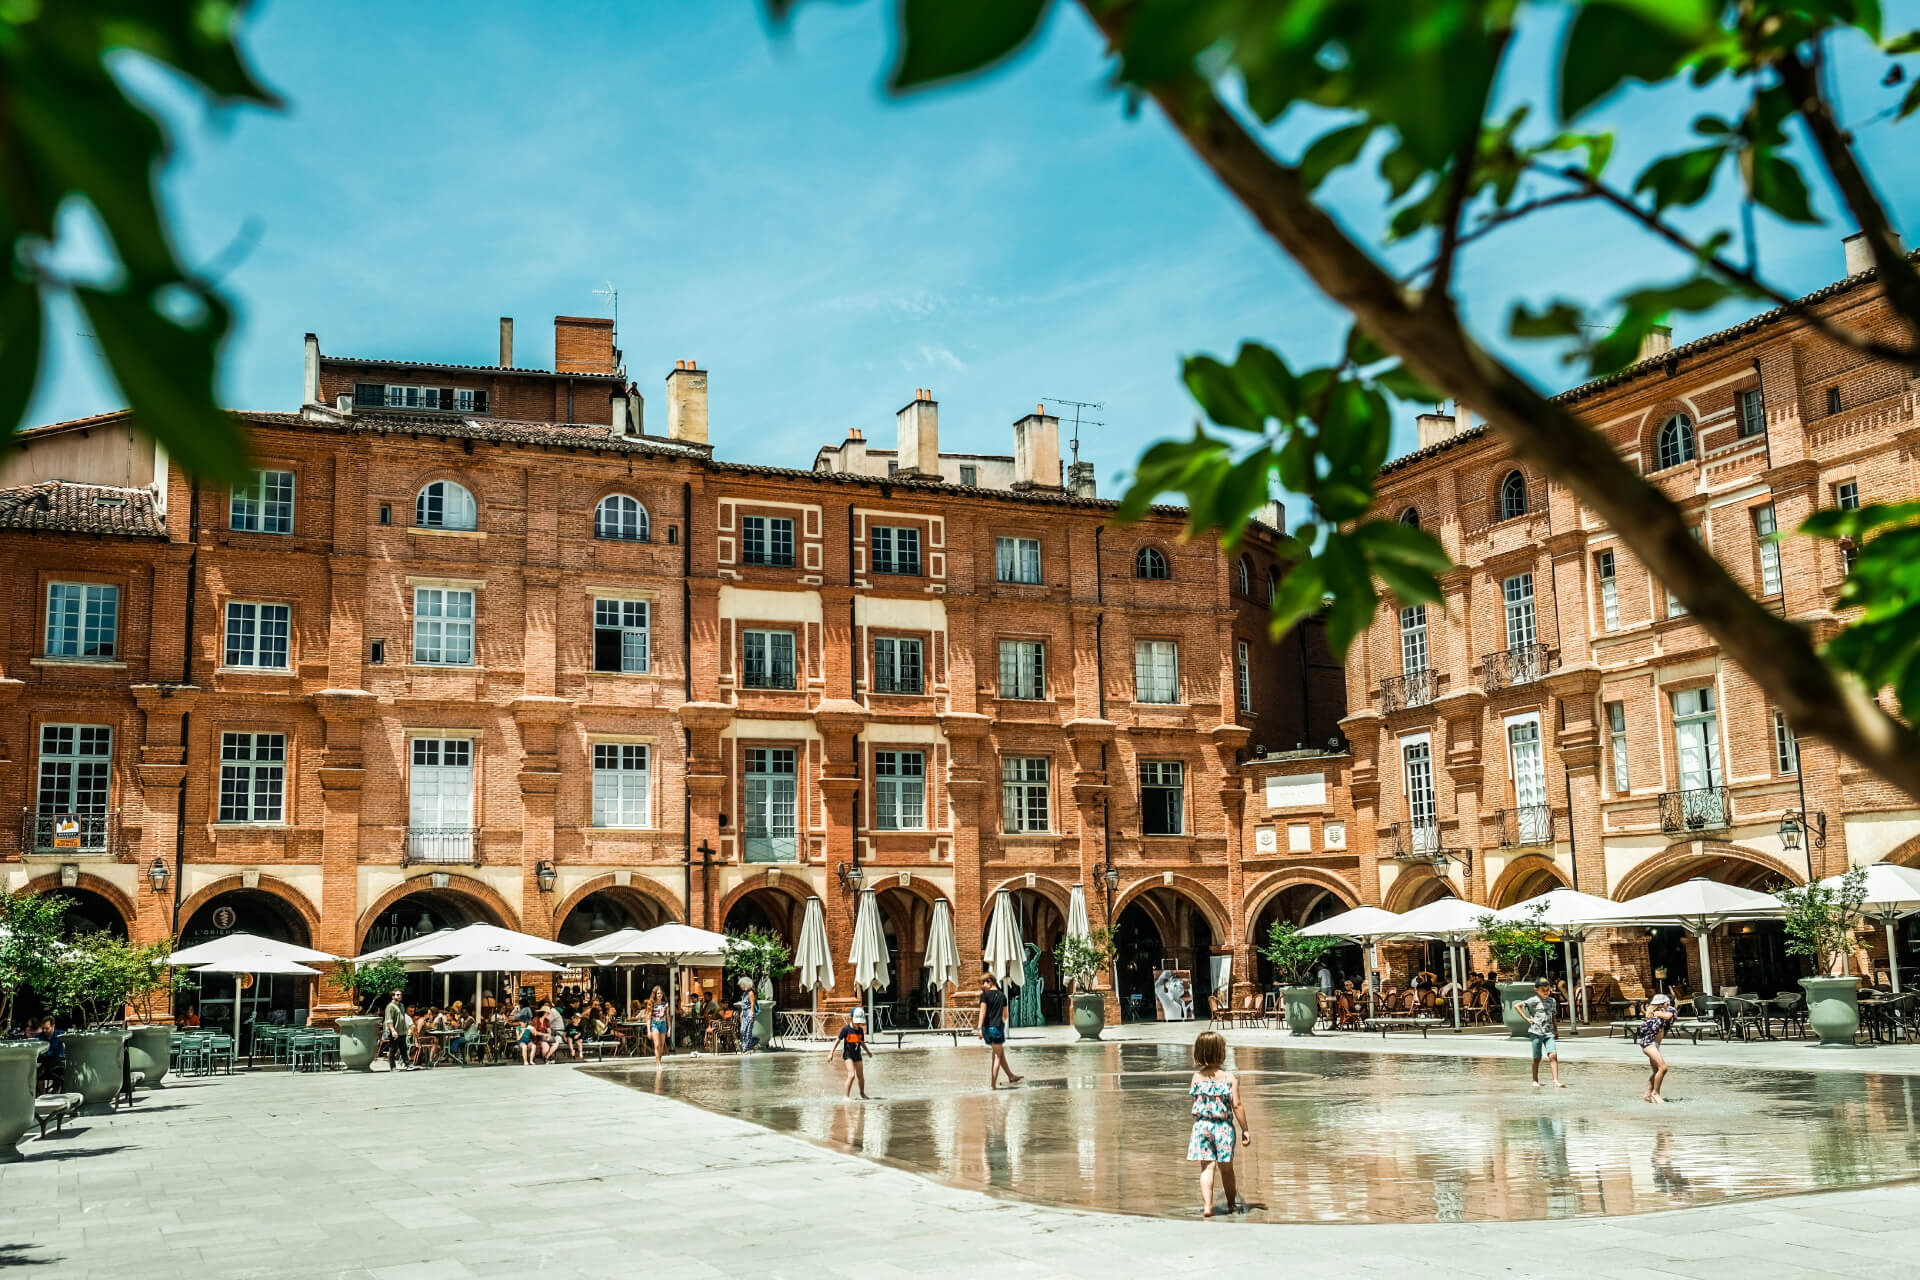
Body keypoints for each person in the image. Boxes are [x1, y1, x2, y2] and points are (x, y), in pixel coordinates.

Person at [1187, 1030, 1251, 1218]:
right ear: (1221, 1052)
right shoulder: (1229, 1078)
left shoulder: (1196, 1078)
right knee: (1226, 1169)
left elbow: (1194, 1103)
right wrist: (1245, 1129)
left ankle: (1208, 1205)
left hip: (1202, 1126)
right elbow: (1237, 1105)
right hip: (1223, 1128)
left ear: (1199, 1053)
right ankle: (1231, 1205)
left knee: (1207, 1167)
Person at [1516, 978, 1565, 1089]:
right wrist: (1527, 1019)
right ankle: (1535, 1080)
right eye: (1543, 990)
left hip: (1549, 1033)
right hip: (1536, 1032)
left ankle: (1556, 1080)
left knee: (1553, 1055)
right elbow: (1517, 1006)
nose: (1546, 993)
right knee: (1537, 1057)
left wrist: (1556, 1030)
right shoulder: (1533, 1000)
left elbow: (1553, 1016)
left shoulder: (1552, 1001)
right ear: (1536, 990)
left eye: (1548, 990)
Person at [978, 973, 1021, 1089]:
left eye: (983, 983)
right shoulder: (1002, 996)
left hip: (987, 1028)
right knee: (997, 1056)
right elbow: (1005, 1015)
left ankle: (1011, 1076)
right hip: (997, 1028)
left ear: (990, 981)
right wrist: (999, 1021)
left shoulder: (985, 996)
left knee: (999, 1054)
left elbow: (982, 1012)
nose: (982, 986)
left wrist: (980, 1028)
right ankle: (993, 1085)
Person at [1638, 993, 1677, 1104]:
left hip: (1655, 1045)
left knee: (1656, 1071)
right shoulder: (1653, 1015)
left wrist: (1659, 1013)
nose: (1668, 1004)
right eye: (1666, 1003)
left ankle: (1647, 1094)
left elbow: (1669, 1016)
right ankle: (1656, 1093)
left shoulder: (1670, 1011)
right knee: (1663, 1068)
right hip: (1649, 1044)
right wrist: (1657, 1014)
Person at [829, 1006, 870, 1099]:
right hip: (848, 1056)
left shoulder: (860, 1030)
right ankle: (846, 1097)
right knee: (851, 1075)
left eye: (860, 1023)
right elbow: (838, 1040)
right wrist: (831, 1053)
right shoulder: (846, 1030)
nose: (858, 1024)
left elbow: (861, 1042)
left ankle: (862, 1094)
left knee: (861, 1077)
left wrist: (868, 1051)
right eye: (857, 1022)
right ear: (851, 1019)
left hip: (857, 1055)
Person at [381, 989, 410, 1071]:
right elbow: (389, 1020)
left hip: (402, 1031)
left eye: (400, 994)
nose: (399, 996)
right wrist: (393, 1030)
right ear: (393, 996)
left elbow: (402, 1018)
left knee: (404, 1049)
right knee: (393, 1049)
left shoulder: (402, 1005)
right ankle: (392, 1067)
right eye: (397, 994)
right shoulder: (390, 1006)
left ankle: (407, 1064)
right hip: (394, 1031)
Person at [647, 985, 670, 1064]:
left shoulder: (665, 1004)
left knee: (661, 1046)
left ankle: (659, 1060)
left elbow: (667, 1016)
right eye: (658, 993)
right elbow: (648, 1018)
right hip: (655, 1024)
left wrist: (669, 1028)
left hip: (663, 1024)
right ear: (655, 994)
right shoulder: (652, 1004)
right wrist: (648, 1031)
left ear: (663, 994)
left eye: (661, 993)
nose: (659, 995)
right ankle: (658, 1063)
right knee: (656, 1045)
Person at [738, 979, 759, 1052]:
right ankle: (754, 1042)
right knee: (742, 1030)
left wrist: (751, 1014)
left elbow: (752, 1003)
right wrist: (742, 1012)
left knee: (748, 1031)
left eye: (741, 985)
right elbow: (744, 1004)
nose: (741, 986)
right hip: (745, 1013)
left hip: (749, 1012)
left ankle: (746, 1048)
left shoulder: (750, 993)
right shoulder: (744, 993)